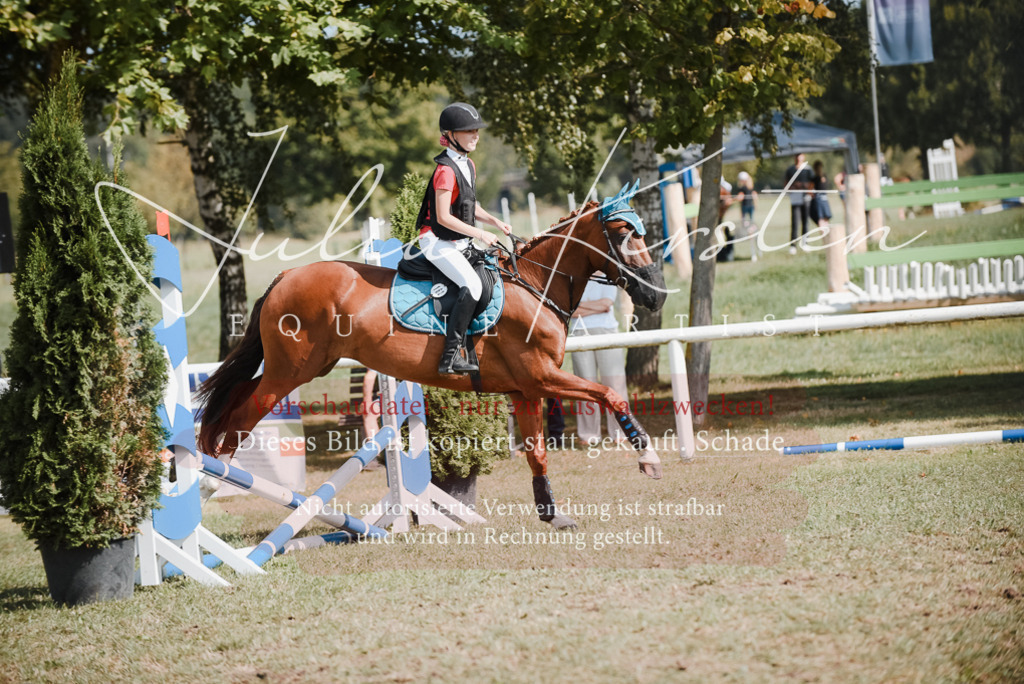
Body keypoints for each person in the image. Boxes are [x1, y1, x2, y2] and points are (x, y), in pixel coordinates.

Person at [416, 102, 511, 375]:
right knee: (472, 284)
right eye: (468, 131)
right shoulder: (445, 170)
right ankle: (450, 356)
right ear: (451, 134)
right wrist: (481, 233)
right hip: (436, 241)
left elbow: (469, 205)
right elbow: (444, 217)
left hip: (457, 241)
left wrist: (494, 221)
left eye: (476, 130)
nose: (475, 135)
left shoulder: (468, 164)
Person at [570, 275, 628, 446]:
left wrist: (583, 307)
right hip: (579, 332)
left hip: (607, 332)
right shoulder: (574, 278)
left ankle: (620, 431)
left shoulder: (608, 278)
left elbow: (606, 304)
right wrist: (596, 307)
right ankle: (588, 434)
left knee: (615, 383)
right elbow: (571, 310)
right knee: (585, 385)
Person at [783, 153, 813, 254]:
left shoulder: (808, 169)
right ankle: (793, 245)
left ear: (804, 156)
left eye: (800, 155)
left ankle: (805, 243)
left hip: (805, 198)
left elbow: (812, 183)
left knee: (805, 222)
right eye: (796, 155)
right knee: (795, 222)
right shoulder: (790, 170)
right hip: (795, 197)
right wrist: (793, 187)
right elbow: (786, 184)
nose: (798, 157)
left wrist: (806, 187)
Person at [735, 171, 759, 261]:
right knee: (752, 229)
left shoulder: (743, 189)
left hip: (746, 210)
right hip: (749, 210)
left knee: (749, 230)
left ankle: (754, 251)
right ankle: (755, 251)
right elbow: (755, 197)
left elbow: (739, 197)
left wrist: (731, 199)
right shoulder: (750, 187)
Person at [808, 160, 832, 230]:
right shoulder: (823, 177)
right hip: (822, 200)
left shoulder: (816, 178)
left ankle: (826, 237)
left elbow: (809, 191)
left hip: (819, 201)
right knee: (824, 221)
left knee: (822, 221)